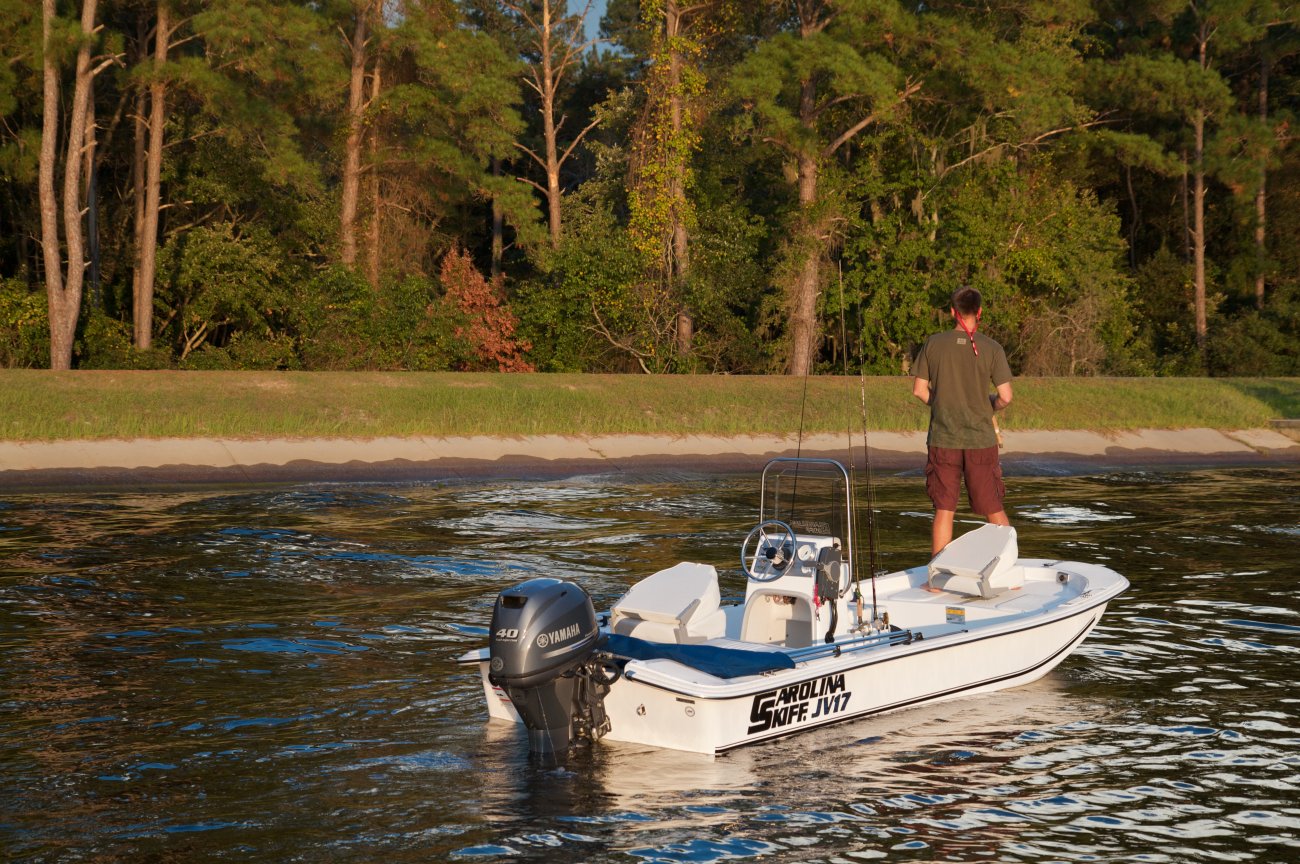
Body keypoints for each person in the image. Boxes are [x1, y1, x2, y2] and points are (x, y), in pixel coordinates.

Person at [911, 286, 1014, 557]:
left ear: (952, 312)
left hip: (943, 440)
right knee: (993, 508)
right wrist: (988, 405)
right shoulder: (993, 348)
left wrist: (943, 400)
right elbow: (1005, 397)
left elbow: (919, 391)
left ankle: (937, 579)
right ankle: (1010, 570)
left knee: (944, 510)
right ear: (979, 312)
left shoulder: (933, 343)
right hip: (981, 441)